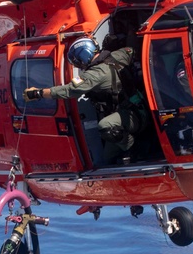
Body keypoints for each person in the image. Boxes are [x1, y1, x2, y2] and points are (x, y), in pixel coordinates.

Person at [25, 33, 147, 164]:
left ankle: (132, 147)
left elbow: (68, 90)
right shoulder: (119, 54)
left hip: (133, 116)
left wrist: (38, 93)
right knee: (107, 158)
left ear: (83, 57)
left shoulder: (94, 75)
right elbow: (133, 51)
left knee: (106, 127)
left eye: (77, 62)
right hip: (141, 106)